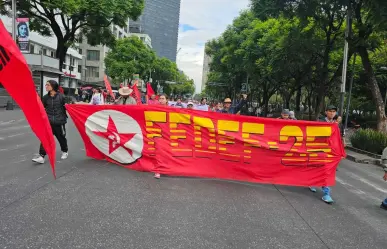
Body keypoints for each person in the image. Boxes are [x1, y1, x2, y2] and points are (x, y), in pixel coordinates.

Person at [308, 105, 340, 204]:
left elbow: (340, 136)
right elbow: (318, 134)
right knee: (318, 168)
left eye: (334, 111)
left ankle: (326, 193)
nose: (332, 113)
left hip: (332, 152)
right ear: (326, 112)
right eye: (330, 111)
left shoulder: (337, 123)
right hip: (320, 150)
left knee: (327, 171)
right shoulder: (320, 122)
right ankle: (313, 183)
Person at [32, 80, 68, 164]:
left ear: (53, 86)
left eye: (48, 85)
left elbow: (68, 106)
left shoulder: (61, 97)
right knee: (45, 138)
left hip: (59, 122)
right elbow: (41, 108)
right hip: (48, 122)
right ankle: (41, 156)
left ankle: (64, 151)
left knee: (61, 138)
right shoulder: (45, 97)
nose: (46, 86)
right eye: (46, 85)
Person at [154, 94, 169, 179]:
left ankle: (165, 168)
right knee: (159, 152)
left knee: (166, 152)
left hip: (168, 134)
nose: (161, 100)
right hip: (158, 133)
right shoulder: (155, 109)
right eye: (160, 99)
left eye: (163, 98)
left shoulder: (172, 110)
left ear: (166, 100)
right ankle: (158, 171)